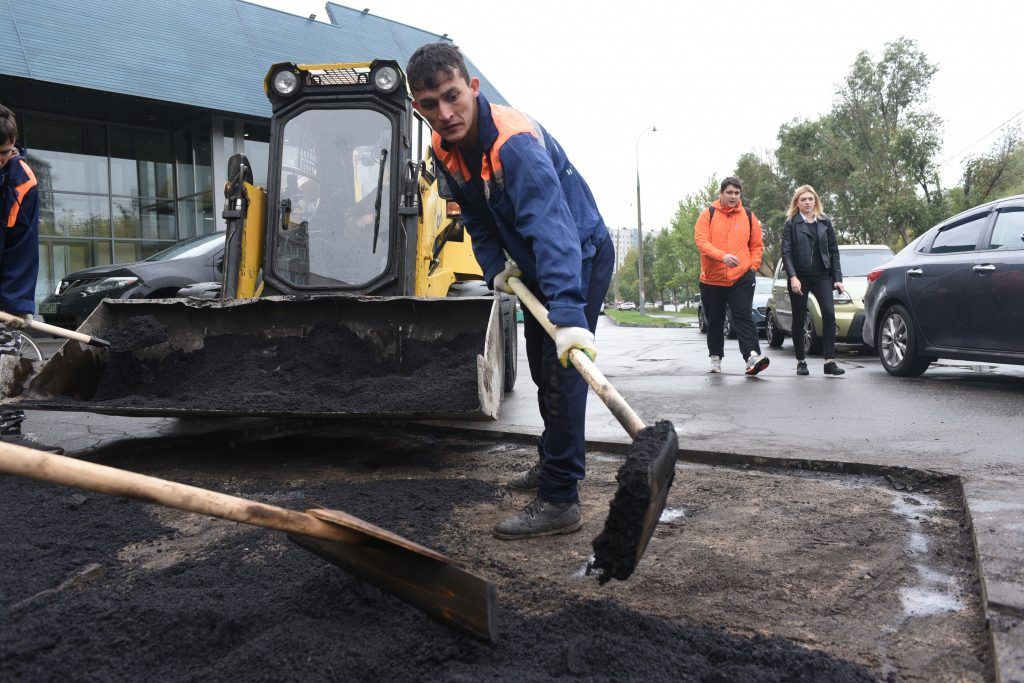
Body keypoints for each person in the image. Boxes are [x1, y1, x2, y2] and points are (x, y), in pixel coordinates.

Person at [407, 43, 614, 540]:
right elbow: (476, 218)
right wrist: (497, 268)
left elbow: (555, 232)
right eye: (431, 104)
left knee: (564, 375)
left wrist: (568, 316)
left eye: (453, 96)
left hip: (577, 257)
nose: (446, 112)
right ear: (418, 107)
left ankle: (561, 499)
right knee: (545, 373)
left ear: (472, 88)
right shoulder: (444, 149)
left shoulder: (514, 144)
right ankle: (552, 463)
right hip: (533, 265)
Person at [0, 103, 62, 452]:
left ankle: (7, 433)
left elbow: (21, 248)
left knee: (5, 352)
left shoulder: (22, 181)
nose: (2, 160)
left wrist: (17, 305)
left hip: (5, 278)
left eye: (6, 153)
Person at [693, 177, 769, 375]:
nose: (733, 196)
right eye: (729, 193)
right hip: (712, 278)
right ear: (721, 193)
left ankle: (752, 357)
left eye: (737, 193)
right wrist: (722, 257)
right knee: (715, 320)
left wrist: (752, 266)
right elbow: (701, 242)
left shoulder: (749, 216)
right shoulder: (707, 215)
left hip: (741, 276)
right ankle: (715, 358)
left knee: (743, 316)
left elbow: (757, 245)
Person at [781, 185, 846, 376]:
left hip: (822, 276)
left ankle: (829, 362)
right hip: (799, 277)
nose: (808, 202)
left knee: (828, 313)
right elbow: (786, 253)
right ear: (797, 203)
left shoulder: (825, 222)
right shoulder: (791, 224)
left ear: (815, 201)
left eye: (811, 199)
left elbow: (834, 252)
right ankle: (801, 361)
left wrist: (838, 278)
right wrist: (793, 277)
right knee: (799, 318)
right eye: (803, 199)